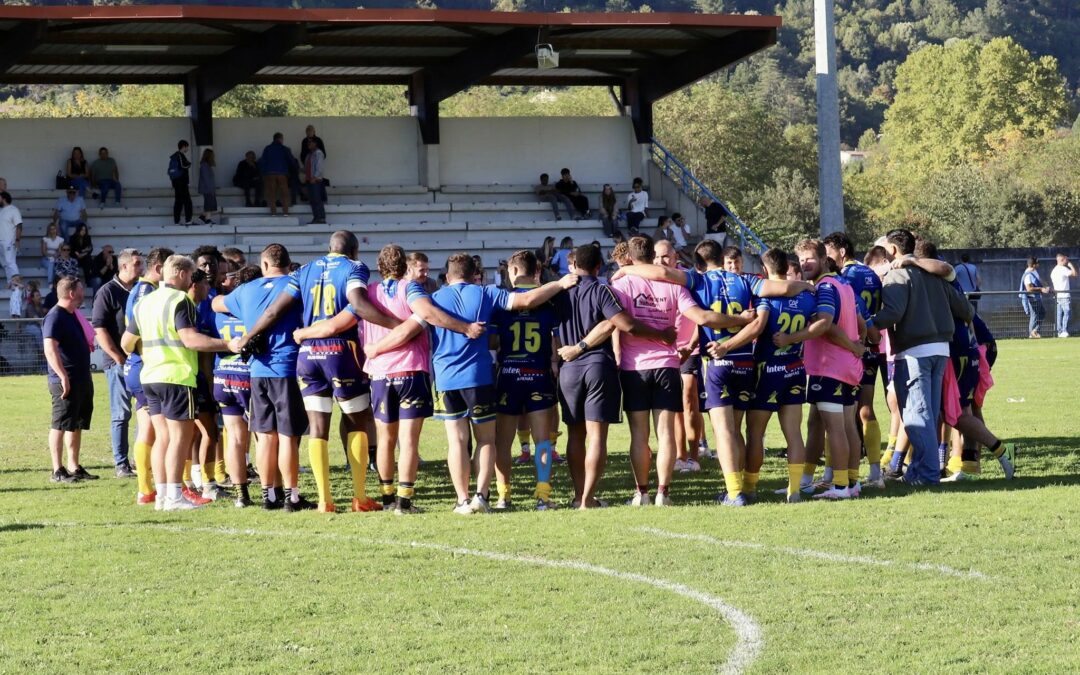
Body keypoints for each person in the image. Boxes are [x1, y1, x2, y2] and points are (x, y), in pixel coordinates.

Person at [612, 238, 810, 506]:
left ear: (699, 262)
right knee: (739, 430)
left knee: (724, 432)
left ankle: (734, 492)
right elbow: (783, 288)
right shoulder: (746, 280)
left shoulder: (698, 280)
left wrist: (627, 269)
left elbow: (661, 273)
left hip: (718, 363)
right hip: (745, 363)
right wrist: (806, 285)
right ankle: (745, 486)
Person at [302, 247, 482, 513]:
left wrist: (303, 332)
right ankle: (404, 501)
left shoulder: (367, 294)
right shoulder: (411, 289)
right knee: (408, 441)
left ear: (379, 266)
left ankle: (386, 498)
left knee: (385, 439)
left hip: (379, 375)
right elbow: (427, 315)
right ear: (405, 268)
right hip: (410, 371)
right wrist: (465, 327)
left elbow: (333, 325)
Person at [428, 253, 576, 514]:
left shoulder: (493, 304)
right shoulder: (543, 301)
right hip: (537, 374)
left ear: (515, 269)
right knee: (542, 440)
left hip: (507, 374)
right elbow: (554, 338)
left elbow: (494, 342)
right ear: (537, 270)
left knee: (500, 441)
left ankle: (502, 496)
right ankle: (542, 496)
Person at [612, 235, 744, 507]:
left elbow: (615, 324)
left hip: (633, 366)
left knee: (639, 434)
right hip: (667, 364)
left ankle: (642, 493)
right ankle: (663, 492)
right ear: (653, 255)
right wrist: (739, 320)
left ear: (629, 257)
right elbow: (702, 317)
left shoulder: (621, 283)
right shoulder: (673, 285)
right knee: (666, 433)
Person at [123, 255, 237, 511]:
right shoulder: (180, 300)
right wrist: (229, 344)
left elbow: (126, 343)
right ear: (184, 274)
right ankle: (174, 495)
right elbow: (191, 340)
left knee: (161, 438)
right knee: (178, 438)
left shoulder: (145, 302)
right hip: (176, 376)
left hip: (150, 376)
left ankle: (163, 495)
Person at [870, 229, 975, 487]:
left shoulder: (897, 275)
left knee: (918, 416)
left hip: (914, 352)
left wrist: (867, 322)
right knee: (927, 412)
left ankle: (927, 475)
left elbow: (893, 313)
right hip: (941, 350)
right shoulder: (934, 275)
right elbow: (965, 309)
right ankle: (917, 471)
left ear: (893, 251)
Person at [786, 239, 865, 500]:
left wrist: (791, 338)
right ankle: (852, 482)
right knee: (847, 426)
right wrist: (857, 345)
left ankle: (841, 486)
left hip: (829, 367)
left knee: (836, 429)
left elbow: (826, 325)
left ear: (822, 258)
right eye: (800, 260)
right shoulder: (844, 284)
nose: (804, 264)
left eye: (809, 258)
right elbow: (861, 323)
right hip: (849, 368)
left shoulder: (825, 287)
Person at [823, 231, 885, 487]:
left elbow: (851, 309)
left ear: (842, 252)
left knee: (837, 414)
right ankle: (874, 472)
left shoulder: (843, 278)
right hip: (872, 348)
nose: (826, 260)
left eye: (828, 254)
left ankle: (838, 474)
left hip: (850, 350)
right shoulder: (872, 273)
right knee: (865, 409)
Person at [124, 246, 174, 505]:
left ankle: (147, 488)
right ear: (159, 269)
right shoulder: (147, 291)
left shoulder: (142, 289)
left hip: (138, 367)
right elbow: (134, 333)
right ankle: (159, 486)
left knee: (149, 429)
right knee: (160, 431)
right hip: (145, 366)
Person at [92, 248, 143, 478]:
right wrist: (118, 358)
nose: (141, 268)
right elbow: (100, 329)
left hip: (141, 361)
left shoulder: (142, 290)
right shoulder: (107, 292)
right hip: (118, 363)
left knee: (145, 410)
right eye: (137, 264)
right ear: (123, 266)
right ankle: (121, 463)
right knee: (121, 413)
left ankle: (140, 459)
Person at [211, 264, 259, 507]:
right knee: (265, 436)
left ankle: (241, 495)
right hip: (248, 375)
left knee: (235, 438)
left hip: (223, 374)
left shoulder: (220, 308)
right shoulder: (255, 306)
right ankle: (274, 490)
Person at [43, 276, 97, 483]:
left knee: (76, 423)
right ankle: (57, 470)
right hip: (65, 380)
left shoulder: (72, 314)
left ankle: (74, 466)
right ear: (72, 293)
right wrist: (63, 376)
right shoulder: (55, 316)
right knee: (60, 423)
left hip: (81, 377)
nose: (84, 292)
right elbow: (50, 349)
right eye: (81, 289)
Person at [258, 132, 295, 216]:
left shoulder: (267, 148)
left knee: (272, 194)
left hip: (270, 174)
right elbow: (291, 161)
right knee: (284, 193)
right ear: (281, 139)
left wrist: (264, 173)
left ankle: (273, 213)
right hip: (282, 173)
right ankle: (285, 212)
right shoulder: (285, 149)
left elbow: (262, 161)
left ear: (273, 139)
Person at [1019, 257, 1050, 339]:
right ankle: (1032, 333)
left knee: (1042, 313)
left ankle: (1035, 331)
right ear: (1033, 265)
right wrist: (1041, 289)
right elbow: (1029, 288)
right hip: (1032, 298)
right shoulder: (1027, 275)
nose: (1038, 265)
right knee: (1034, 315)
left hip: (1038, 297)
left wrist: (1047, 286)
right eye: (1037, 263)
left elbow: (1040, 279)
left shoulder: (1034, 271)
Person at [167, 140, 193, 226]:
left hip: (176, 182)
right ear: (183, 146)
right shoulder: (180, 155)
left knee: (178, 201)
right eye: (187, 147)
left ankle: (177, 221)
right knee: (187, 201)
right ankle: (188, 220)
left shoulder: (174, 156)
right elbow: (183, 166)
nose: (187, 149)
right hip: (181, 182)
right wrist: (189, 164)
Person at [1050, 253, 1076, 338]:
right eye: (1066, 260)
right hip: (1064, 295)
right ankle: (1064, 330)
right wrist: (1070, 265)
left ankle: (1059, 331)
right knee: (1067, 312)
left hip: (1058, 295)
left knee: (1059, 314)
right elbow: (1075, 274)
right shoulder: (1063, 269)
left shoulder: (1053, 270)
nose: (1067, 261)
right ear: (1062, 260)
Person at [302, 137, 327, 225]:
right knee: (312, 200)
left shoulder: (318, 153)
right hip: (309, 180)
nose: (309, 144)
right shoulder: (309, 155)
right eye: (308, 142)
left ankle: (321, 217)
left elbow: (319, 167)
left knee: (317, 199)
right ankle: (316, 217)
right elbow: (307, 168)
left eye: (311, 142)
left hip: (316, 181)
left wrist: (315, 177)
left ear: (315, 143)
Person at [0, 191, 21, 290]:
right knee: (4, 263)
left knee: (10, 262)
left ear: (3, 198)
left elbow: (19, 225)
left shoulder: (13, 210)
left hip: (9, 241)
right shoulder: (0, 210)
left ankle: (17, 284)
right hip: (0, 241)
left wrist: (17, 239)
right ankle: (11, 284)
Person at [197, 148, 217, 225]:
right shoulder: (205, 165)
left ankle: (203, 216)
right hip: (207, 189)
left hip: (208, 188)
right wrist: (210, 189)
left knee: (211, 203)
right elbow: (206, 178)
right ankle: (207, 219)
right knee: (209, 204)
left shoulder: (206, 165)